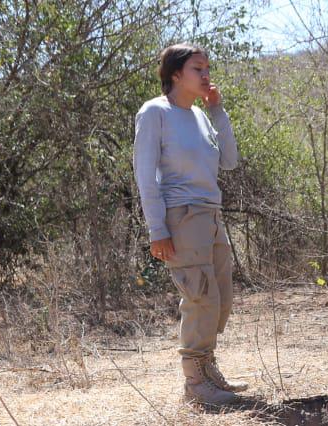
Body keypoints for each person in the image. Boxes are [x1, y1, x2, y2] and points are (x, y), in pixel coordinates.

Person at [134, 43, 244, 407]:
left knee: (222, 300)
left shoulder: (201, 115)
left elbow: (229, 161)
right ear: (176, 74)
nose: (206, 74)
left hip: (212, 214)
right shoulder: (155, 112)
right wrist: (157, 229)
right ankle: (196, 385)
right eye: (198, 68)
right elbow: (145, 175)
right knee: (199, 297)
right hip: (180, 216)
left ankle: (209, 371)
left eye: (208, 68)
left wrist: (217, 110)